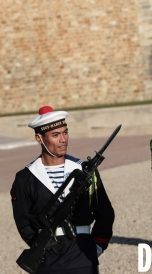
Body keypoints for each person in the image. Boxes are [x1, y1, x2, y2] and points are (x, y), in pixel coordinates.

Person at [11, 106, 115, 273]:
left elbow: (105, 212)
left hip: (82, 254)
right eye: (55, 135)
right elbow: (23, 222)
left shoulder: (84, 170)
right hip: (48, 260)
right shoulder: (26, 178)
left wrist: (97, 247)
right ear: (39, 138)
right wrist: (42, 248)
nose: (63, 139)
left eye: (65, 132)